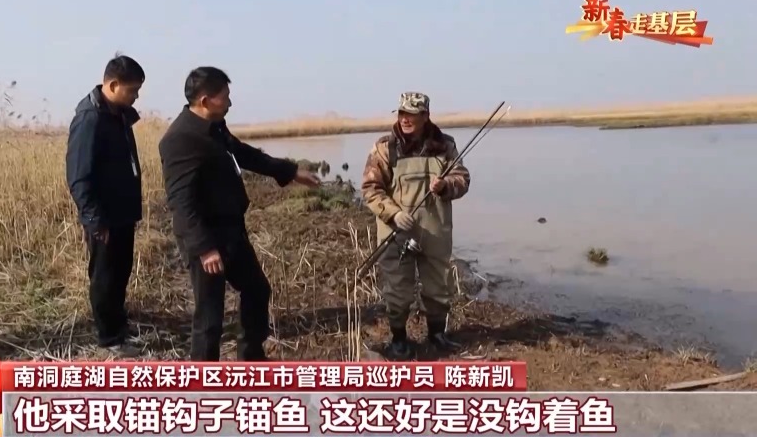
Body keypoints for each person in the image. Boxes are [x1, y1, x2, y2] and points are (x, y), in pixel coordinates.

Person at [159, 66, 321, 361]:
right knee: (210, 316)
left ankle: (251, 358)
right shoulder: (180, 139)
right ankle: (202, 380)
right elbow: (181, 202)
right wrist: (205, 248)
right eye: (225, 97)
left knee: (257, 290)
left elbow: (245, 155)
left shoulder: (215, 127)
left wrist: (290, 171)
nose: (230, 103)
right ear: (205, 100)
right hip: (207, 238)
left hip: (232, 231)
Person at [360, 91, 471, 360]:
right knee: (397, 291)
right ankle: (399, 340)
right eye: (402, 113)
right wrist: (394, 214)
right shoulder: (385, 147)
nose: (405, 119)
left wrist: (446, 186)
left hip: (435, 231)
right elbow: (371, 189)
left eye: (411, 114)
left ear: (425, 116)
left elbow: (462, 179)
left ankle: (437, 335)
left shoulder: (445, 145)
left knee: (439, 286)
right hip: (396, 232)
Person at [65, 53, 146, 356]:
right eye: (132, 90)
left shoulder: (118, 114)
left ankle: (119, 325)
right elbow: (78, 177)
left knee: (120, 271)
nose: (136, 96)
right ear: (112, 85)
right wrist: (95, 220)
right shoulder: (90, 119)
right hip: (104, 217)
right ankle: (110, 338)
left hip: (122, 212)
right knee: (105, 276)